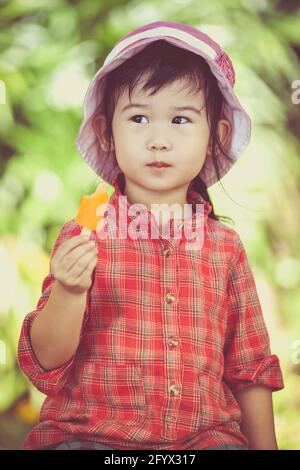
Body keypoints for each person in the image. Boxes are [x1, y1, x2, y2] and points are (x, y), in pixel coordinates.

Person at [18, 20, 284, 451]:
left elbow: (250, 370)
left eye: (181, 119)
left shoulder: (227, 249)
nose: (158, 140)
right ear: (107, 132)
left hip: (204, 441)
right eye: (139, 117)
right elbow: (44, 361)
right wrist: (69, 290)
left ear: (216, 137)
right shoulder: (86, 234)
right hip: (89, 438)